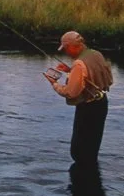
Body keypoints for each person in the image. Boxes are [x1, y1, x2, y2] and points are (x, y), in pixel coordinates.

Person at [45, 31, 113, 165]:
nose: (66, 52)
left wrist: (54, 84)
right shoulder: (95, 53)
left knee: (79, 151)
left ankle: (82, 181)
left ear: (71, 46)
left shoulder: (79, 64)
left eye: (65, 49)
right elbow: (101, 76)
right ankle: (91, 177)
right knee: (92, 146)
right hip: (102, 103)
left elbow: (71, 92)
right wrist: (70, 70)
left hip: (88, 108)